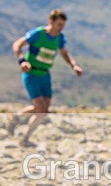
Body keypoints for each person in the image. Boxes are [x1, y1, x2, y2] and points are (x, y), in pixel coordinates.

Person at [8, 9, 83, 147]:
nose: (61, 28)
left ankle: (16, 117)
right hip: (32, 74)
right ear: (51, 21)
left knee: (43, 108)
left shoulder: (60, 38)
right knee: (41, 109)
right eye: (59, 24)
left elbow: (64, 53)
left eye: (63, 25)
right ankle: (25, 139)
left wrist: (74, 65)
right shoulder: (38, 34)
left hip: (45, 74)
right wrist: (22, 60)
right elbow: (17, 44)